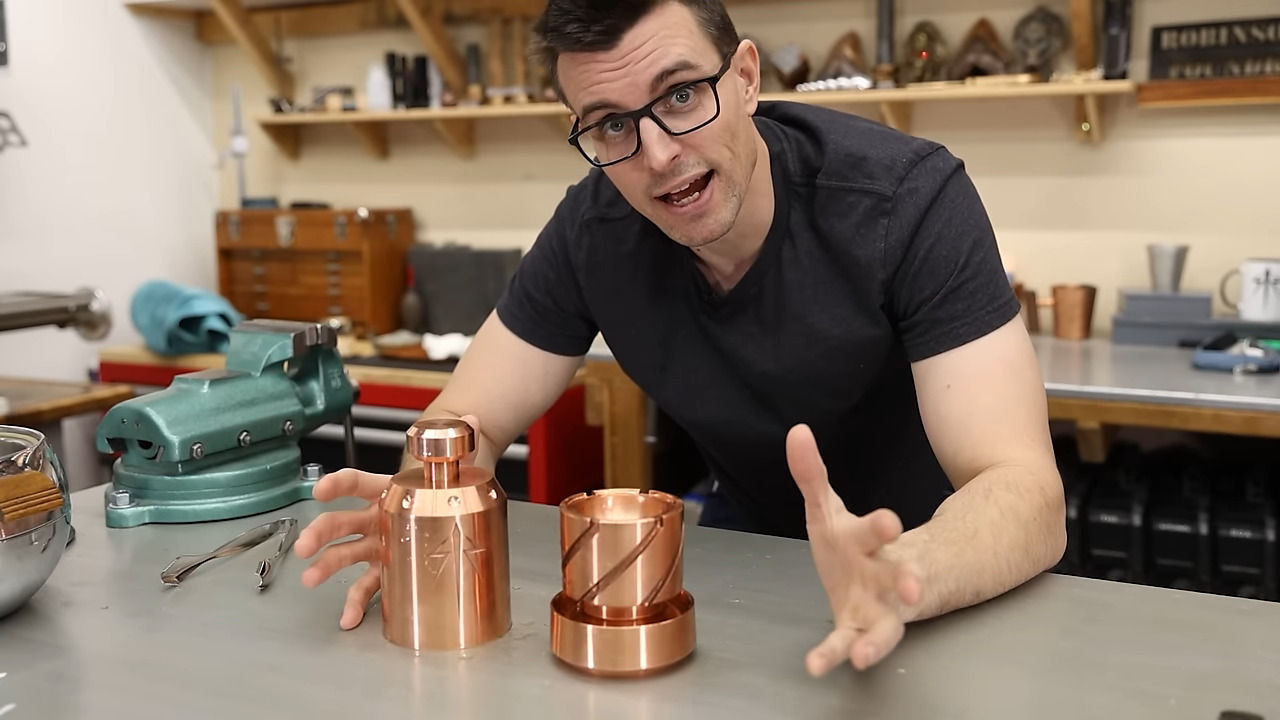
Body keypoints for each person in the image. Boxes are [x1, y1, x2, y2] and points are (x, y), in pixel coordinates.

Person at [294, 0, 1067, 678]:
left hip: (947, 570)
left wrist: (896, 575)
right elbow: (467, 421)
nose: (659, 154)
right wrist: (423, 514)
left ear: (747, 78)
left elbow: (1024, 491)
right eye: (613, 123)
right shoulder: (594, 230)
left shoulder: (906, 200)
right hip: (748, 558)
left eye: (682, 94)